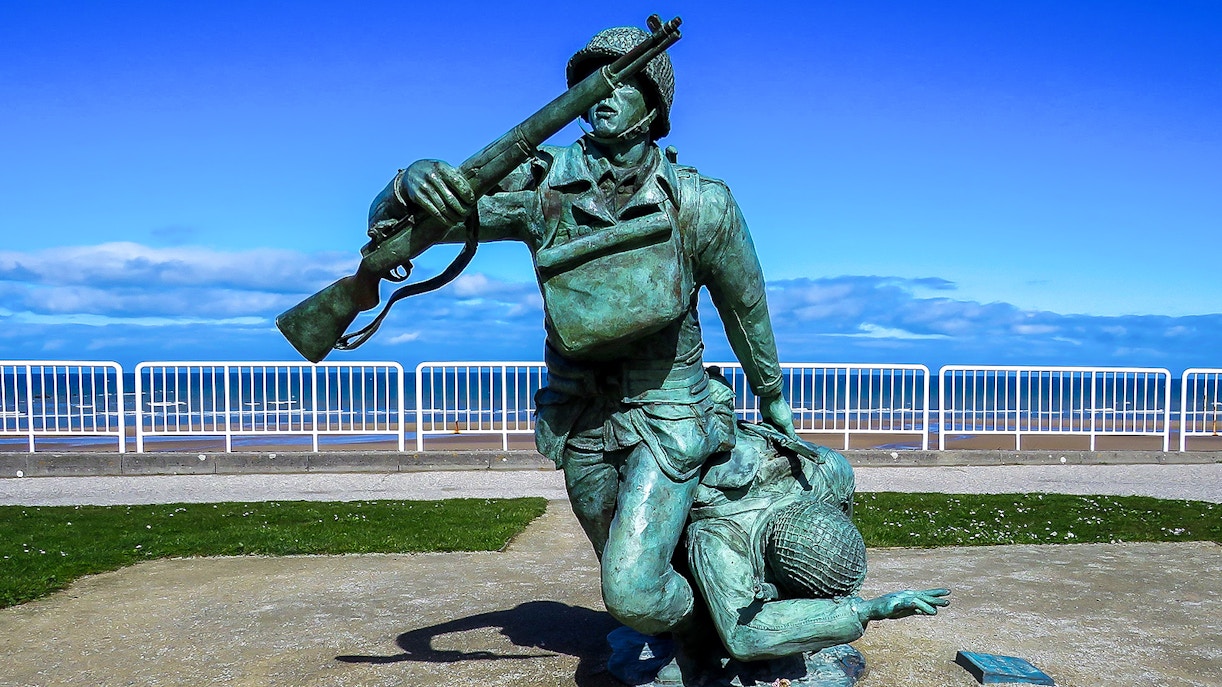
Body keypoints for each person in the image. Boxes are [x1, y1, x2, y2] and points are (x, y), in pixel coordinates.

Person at [369, 25, 795, 653]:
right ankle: (691, 634)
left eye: (620, 82)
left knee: (631, 591)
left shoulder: (700, 203)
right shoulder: (542, 186)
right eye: (591, 83)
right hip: (580, 417)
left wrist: (772, 394)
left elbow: (746, 307)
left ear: (653, 103)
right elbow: (413, 228)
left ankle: (713, 633)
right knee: (629, 575)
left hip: (669, 414)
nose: (602, 95)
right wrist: (406, 184)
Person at [668, 372, 950, 684]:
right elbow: (744, 634)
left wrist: (861, 609)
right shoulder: (823, 475)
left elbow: (742, 635)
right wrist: (866, 610)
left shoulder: (719, 538)